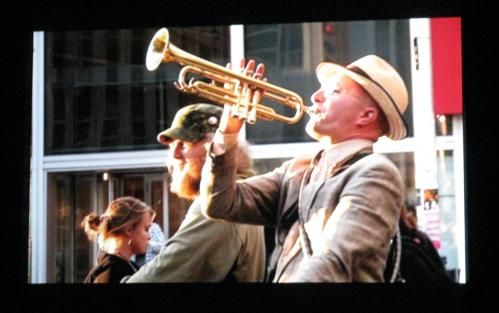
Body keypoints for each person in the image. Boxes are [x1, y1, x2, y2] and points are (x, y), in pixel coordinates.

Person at [199, 55, 408, 282]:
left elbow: (332, 263)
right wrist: (227, 130)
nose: (315, 97)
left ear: (367, 115)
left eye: (334, 91)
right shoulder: (300, 169)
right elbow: (219, 204)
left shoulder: (375, 172)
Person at [123, 103, 265, 283]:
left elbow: (164, 273)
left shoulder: (219, 201)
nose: (174, 154)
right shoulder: (240, 193)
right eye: (172, 145)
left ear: (215, 147)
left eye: (184, 144)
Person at [81, 196, 155, 283]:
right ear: (129, 230)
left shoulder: (125, 266)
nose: (149, 236)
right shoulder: (112, 273)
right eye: (146, 229)